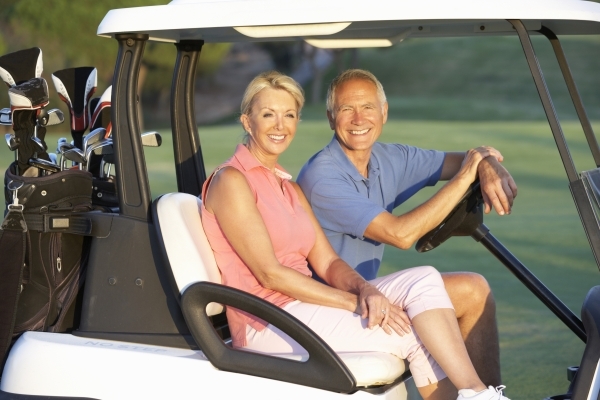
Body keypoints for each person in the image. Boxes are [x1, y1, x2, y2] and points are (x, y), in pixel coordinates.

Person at [201, 70, 511, 400]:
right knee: (409, 332)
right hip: (267, 322)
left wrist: (366, 290)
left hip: (300, 308)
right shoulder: (231, 181)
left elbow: (327, 261)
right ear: (247, 122)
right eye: (268, 115)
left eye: (288, 115)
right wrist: (356, 301)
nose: (280, 125)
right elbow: (270, 274)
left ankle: (480, 394)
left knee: (424, 279)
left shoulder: (289, 187)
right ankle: (479, 395)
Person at [297, 69, 518, 388]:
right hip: (331, 304)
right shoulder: (323, 177)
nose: (358, 119)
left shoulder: (388, 158)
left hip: (368, 292)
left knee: (474, 290)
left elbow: (461, 160)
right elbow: (400, 234)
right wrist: (466, 176)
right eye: (346, 109)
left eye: (368, 107)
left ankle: (491, 394)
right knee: (426, 306)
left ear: (384, 112)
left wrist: (487, 164)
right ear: (331, 118)